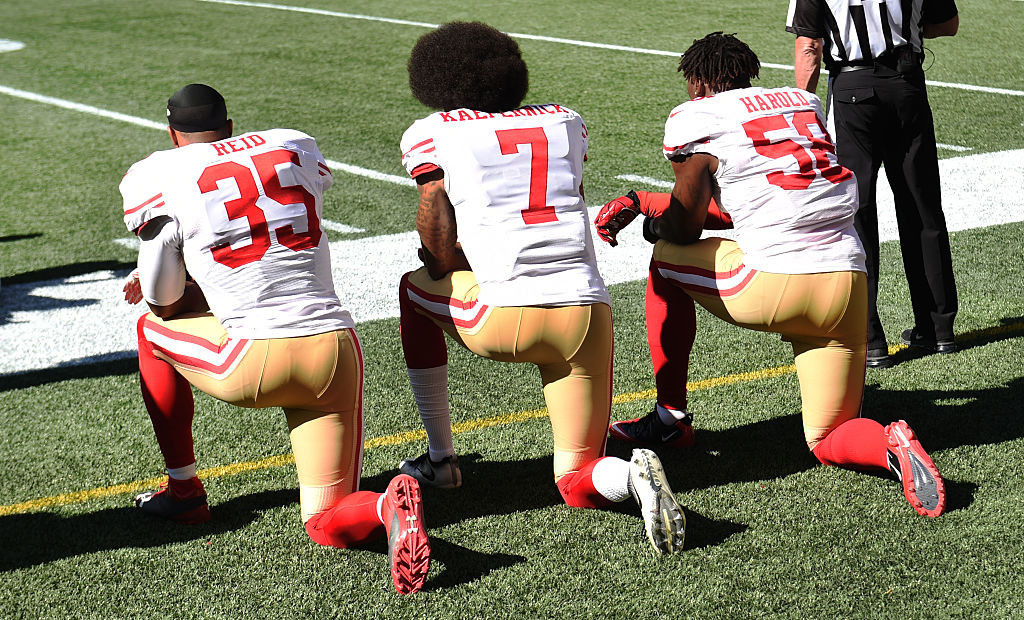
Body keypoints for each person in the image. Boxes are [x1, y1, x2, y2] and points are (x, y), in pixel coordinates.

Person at [594, 32, 945, 517]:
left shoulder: (697, 116)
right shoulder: (803, 103)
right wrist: (648, 203)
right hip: (847, 281)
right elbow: (757, 205)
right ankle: (889, 445)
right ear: (746, 73)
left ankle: (670, 417)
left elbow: (686, 223)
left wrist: (652, 218)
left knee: (665, 260)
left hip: (775, 282)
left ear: (698, 82)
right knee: (828, 436)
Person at [119, 84, 430, 594]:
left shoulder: (158, 172)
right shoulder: (292, 144)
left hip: (253, 360)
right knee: (325, 519)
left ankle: (183, 490)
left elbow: (162, 302)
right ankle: (382, 504)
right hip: (335, 350)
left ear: (173, 133)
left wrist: (178, 278)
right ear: (231, 125)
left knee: (150, 331)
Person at [396, 21, 686, 554]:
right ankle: (627, 478)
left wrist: (446, 261)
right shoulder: (565, 121)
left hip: (505, 314)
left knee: (412, 289)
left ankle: (440, 459)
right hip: (585, 313)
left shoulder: (433, 131)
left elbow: (435, 218)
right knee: (577, 477)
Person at [787, 0, 960, 368]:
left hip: (853, 91)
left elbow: (809, 46)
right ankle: (938, 328)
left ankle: (868, 338)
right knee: (921, 205)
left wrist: (804, 109)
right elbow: (948, 24)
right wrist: (904, 30)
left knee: (857, 210)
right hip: (907, 85)